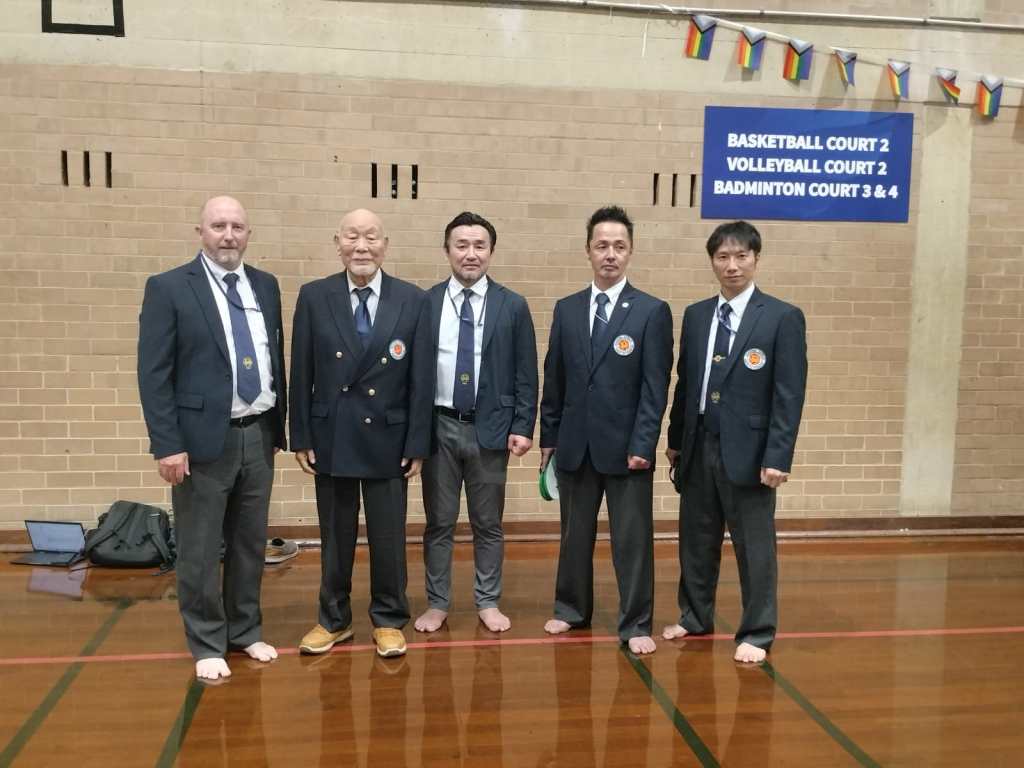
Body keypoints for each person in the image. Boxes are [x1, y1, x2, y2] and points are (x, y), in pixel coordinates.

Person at [138, 195, 287, 681]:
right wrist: (167, 443)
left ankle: (244, 631)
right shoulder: (169, 288)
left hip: (258, 433)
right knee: (201, 547)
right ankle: (205, 639)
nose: (228, 235)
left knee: (248, 543)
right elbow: (154, 374)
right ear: (199, 231)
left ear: (249, 233)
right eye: (218, 225)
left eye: (237, 226)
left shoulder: (265, 285)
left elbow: (272, 358)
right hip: (202, 441)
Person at [662, 220, 807, 663]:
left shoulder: (781, 317)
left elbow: (789, 395)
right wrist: (675, 439)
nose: (732, 265)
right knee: (696, 539)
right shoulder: (697, 315)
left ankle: (757, 631)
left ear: (756, 259)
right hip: (698, 443)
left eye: (741, 256)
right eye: (723, 257)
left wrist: (778, 456)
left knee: (754, 547)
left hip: (751, 453)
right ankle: (694, 616)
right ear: (712, 261)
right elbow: (685, 383)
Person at [290, 208, 432, 658]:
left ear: (385, 245)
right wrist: (301, 434)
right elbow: (302, 371)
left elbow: (421, 379)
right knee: (335, 535)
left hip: (389, 440)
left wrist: (417, 442)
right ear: (337, 243)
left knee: (389, 537)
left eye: (371, 237)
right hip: (332, 435)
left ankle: (389, 619)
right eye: (352, 237)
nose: (361, 246)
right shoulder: (314, 297)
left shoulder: (412, 300)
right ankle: (333, 620)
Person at [539, 205, 673, 655]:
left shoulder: (652, 312)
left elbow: (656, 389)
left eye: (619, 246)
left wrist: (644, 444)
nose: (610, 254)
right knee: (574, 536)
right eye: (602, 246)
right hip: (575, 447)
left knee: (632, 542)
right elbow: (553, 380)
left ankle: (636, 623)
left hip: (626, 451)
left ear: (630, 252)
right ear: (588, 251)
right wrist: (549, 439)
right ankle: (571, 609)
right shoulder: (568, 309)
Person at [414, 212, 538, 634]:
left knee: (488, 524)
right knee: (439, 522)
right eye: (461, 245)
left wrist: (523, 424)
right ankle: (437, 602)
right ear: (447, 250)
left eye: (479, 245)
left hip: (492, 429)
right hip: (438, 428)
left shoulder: (512, 305)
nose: (471, 254)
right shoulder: (425, 303)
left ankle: (487, 600)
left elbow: (526, 372)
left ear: (491, 251)